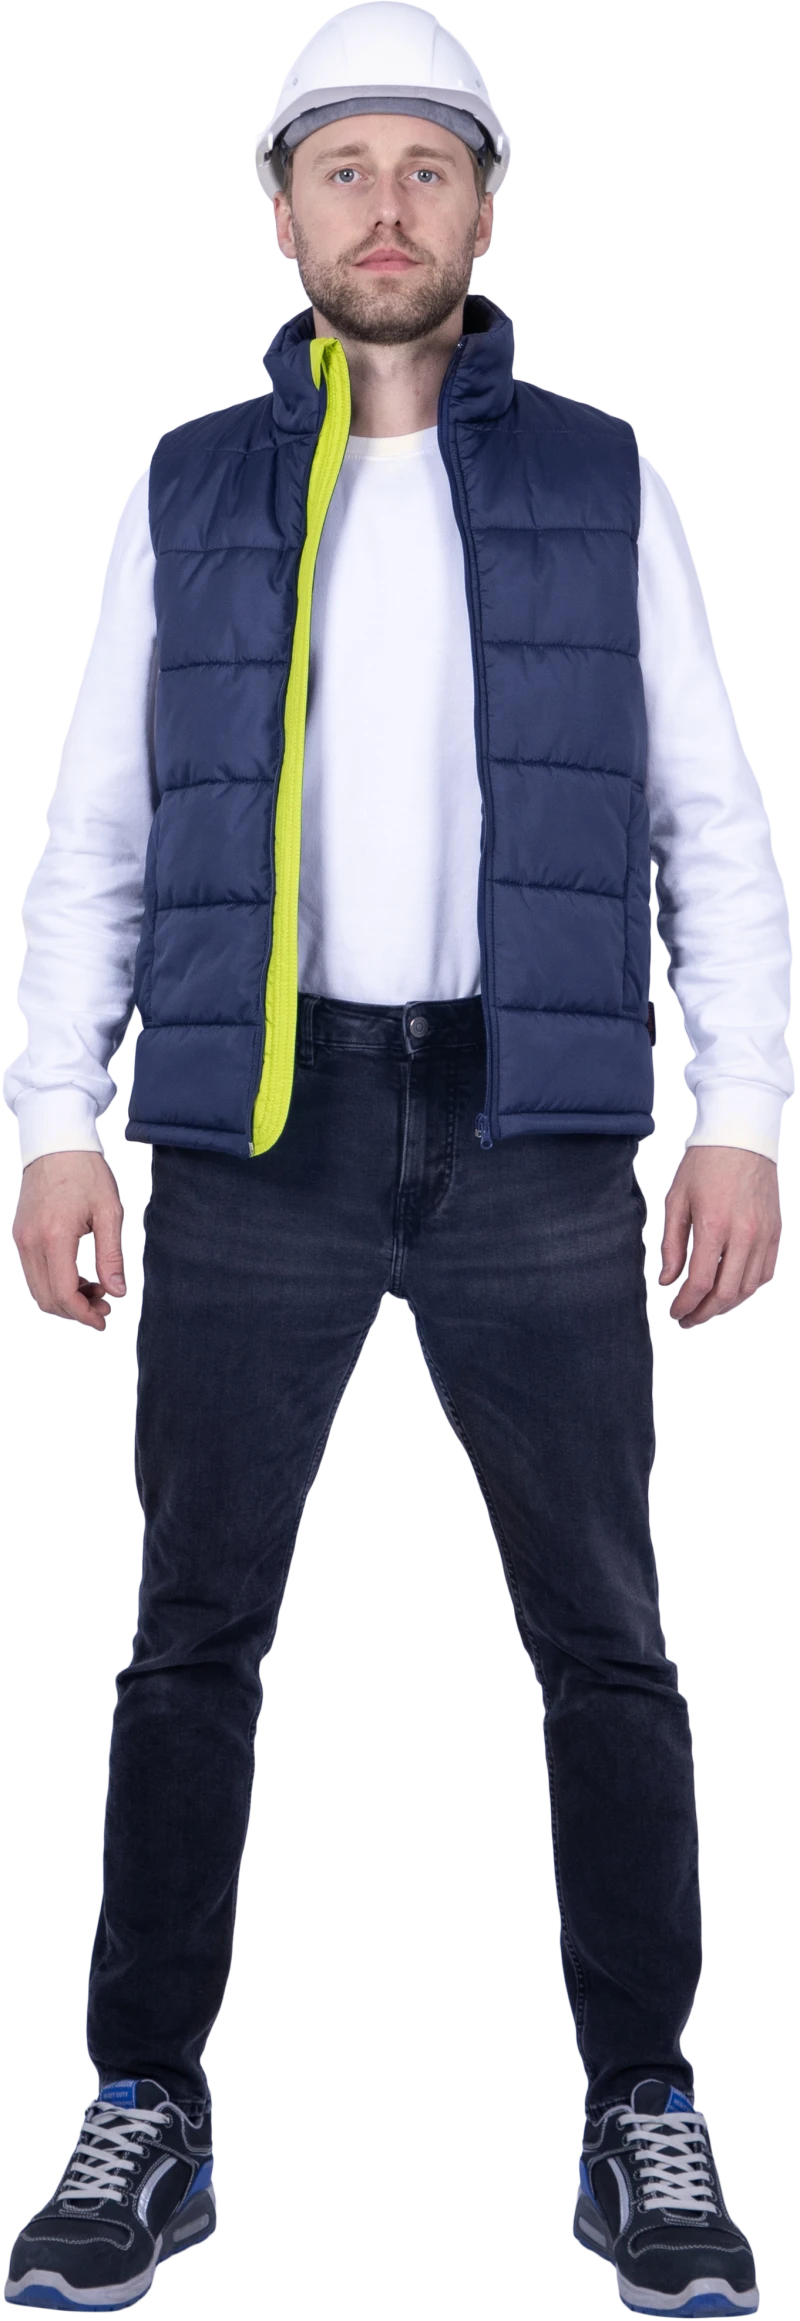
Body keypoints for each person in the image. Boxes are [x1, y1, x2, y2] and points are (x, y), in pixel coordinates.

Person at [4, 4, 790, 2313]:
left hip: (534, 1111)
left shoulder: (606, 480)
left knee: (605, 1632)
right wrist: (55, 1116)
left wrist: (735, 1107)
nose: (384, 206)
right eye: (341, 168)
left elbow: (710, 815)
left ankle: (643, 2103)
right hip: (256, 1127)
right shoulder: (186, 487)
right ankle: (143, 2100)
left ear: (484, 208)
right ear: (280, 213)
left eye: (423, 168)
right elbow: (97, 826)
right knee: (191, 1632)